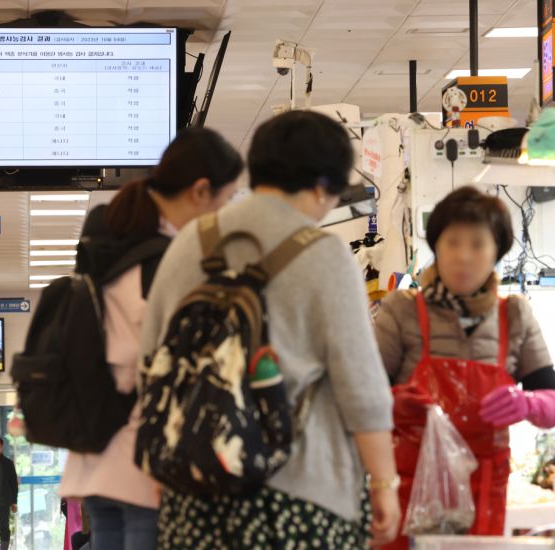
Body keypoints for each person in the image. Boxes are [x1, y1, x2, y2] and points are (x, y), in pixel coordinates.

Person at [140, 110, 401, 549]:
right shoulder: (326, 255)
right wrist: (384, 483)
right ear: (323, 187)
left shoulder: (189, 242)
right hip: (301, 495)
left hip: (195, 491)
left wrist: (159, 470)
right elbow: (362, 387)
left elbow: (152, 361)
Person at [59, 127, 243, 550]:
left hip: (94, 443)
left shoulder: (105, 233)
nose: (223, 212)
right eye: (225, 199)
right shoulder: (174, 257)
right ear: (200, 190)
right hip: (146, 441)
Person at [374, 186, 555, 548]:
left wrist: (528, 404)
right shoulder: (402, 309)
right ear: (437, 246)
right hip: (411, 482)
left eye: (478, 244)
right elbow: (361, 399)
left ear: (496, 251)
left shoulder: (515, 314)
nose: (464, 256)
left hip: (484, 485)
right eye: (453, 242)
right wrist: (394, 402)